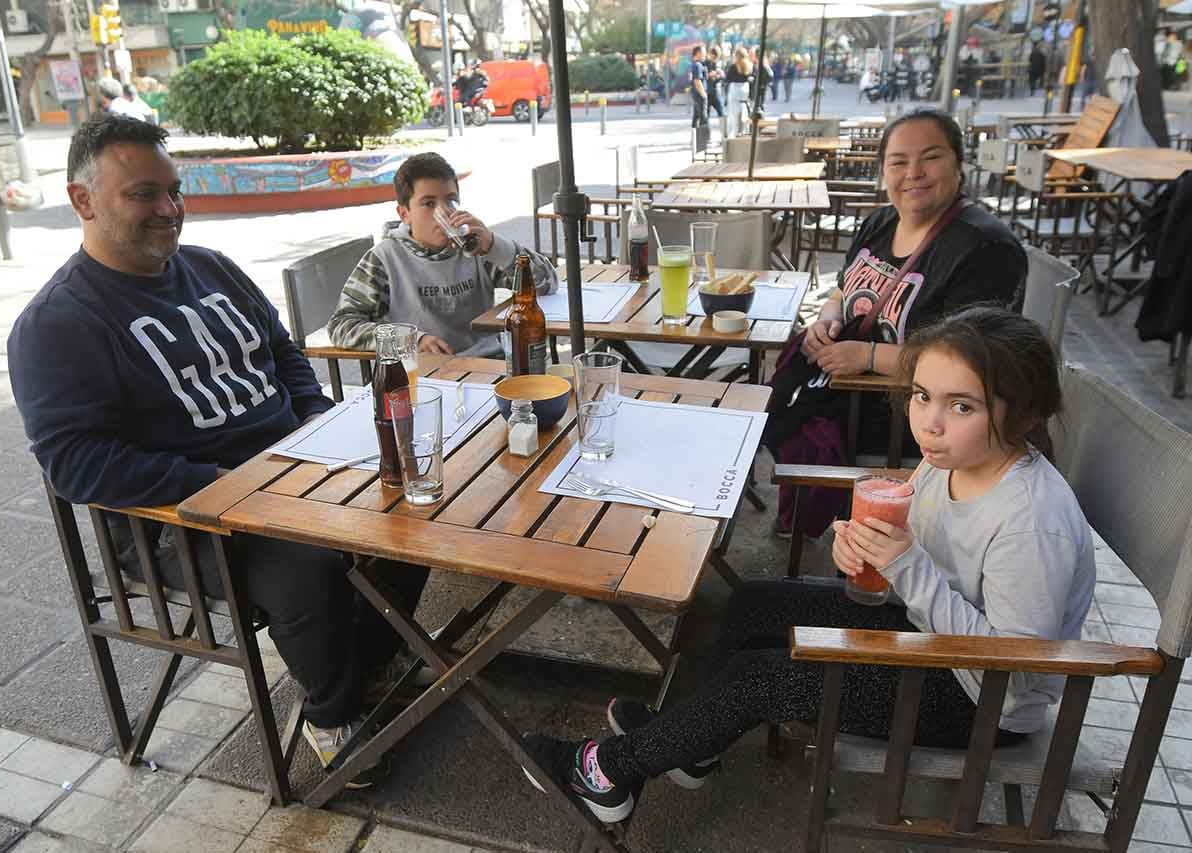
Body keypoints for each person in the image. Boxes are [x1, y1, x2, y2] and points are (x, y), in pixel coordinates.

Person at [521, 306, 1096, 823]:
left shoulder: (1031, 521)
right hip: (929, 637)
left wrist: (909, 570)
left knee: (765, 677)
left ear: (1021, 416)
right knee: (752, 602)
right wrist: (862, 550)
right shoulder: (953, 458)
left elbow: (1021, 667)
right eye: (922, 395)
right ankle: (691, 741)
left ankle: (607, 774)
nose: (931, 422)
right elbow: (917, 551)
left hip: (979, 700)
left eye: (961, 405)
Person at [7, 114, 430, 778]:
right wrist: (230, 485)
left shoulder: (211, 269)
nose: (170, 209)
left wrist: (320, 425)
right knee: (308, 557)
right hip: (177, 520)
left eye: (173, 190)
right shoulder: (57, 324)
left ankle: (366, 657)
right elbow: (77, 463)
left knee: (417, 499)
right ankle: (332, 712)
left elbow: (284, 355)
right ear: (82, 201)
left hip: (284, 471)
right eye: (143, 194)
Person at [763, 108, 1027, 538]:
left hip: (910, 427)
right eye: (899, 162)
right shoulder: (879, 222)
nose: (914, 173)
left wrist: (866, 355)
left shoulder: (985, 248)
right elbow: (843, 291)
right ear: (883, 169)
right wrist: (827, 321)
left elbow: (974, 363)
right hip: (840, 398)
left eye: (931, 157)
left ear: (959, 164)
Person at [327, 152, 556, 357]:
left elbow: (547, 283)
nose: (444, 212)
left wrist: (494, 245)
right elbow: (341, 325)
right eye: (428, 204)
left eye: (450, 200)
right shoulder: (386, 259)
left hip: (487, 363)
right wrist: (410, 340)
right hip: (428, 374)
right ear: (404, 213)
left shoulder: (476, 249)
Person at [724, 47, 754, 136]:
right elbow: (753, 78)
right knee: (744, 113)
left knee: (734, 115)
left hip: (734, 92)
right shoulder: (750, 66)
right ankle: (743, 132)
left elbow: (728, 79)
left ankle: (734, 132)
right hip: (745, 91)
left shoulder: (733, 67)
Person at [689, 45, 709, 127]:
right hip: (699, 94)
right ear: (698, 53)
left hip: (696, 93)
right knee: (703, 116)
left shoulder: (695, 64)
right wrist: (703, 94)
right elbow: (697, 81)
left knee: (696, 116)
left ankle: (695, 137)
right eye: (703, 52)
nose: (705, 54)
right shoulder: (697, 65)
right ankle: (703, 137)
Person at [704, 45, 726, 120]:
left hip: (716, 91)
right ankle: (705, 131)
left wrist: (721, 75)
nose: (714, 57)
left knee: (722, 113)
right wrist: (710, 74)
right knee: (705, 115)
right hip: (708, 91)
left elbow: (723, 77)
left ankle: (724, 130)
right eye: (713, 54)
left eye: (716, 55)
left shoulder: (719, 63)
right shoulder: (706, 63)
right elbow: (703, 75)